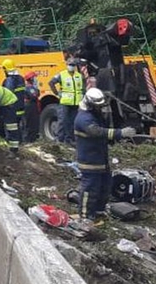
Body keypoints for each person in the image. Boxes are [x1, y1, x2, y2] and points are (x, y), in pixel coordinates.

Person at [74, 88, 135, 221]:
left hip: (100, 158)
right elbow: (96, 132)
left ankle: (99, 210)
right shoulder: (84, 118)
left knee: (105, 186)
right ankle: (85, 215)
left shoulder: (94, 113)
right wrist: (120, 133)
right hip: (89, 160)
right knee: (90, 189)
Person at [49, 57, 84, 144]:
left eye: (73, 65)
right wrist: (57, 93)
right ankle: (59, 139)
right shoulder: (62, 74)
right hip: (65, 102)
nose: (71, 66)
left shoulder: (79, 76)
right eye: (70, 65)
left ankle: (70, 139)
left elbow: (82, 88)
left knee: (73, 122)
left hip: (76, 103)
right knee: (63, 121)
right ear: (67, 65)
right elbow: (51, 83)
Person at [1, 58, 26, 138]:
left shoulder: (9, 80)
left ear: (6, 69)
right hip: (21, 108)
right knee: (18, 128)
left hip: (11, 109)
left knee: (10, 128)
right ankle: (20, 143)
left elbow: (7, 94)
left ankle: (11, 143)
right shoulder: (21, 78)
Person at [22, 71, 41, 143]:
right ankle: (27, 141)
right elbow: (34, 95)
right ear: (31, 79)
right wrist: (36, 88)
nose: (36, 79)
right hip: (29, 107)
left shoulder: (32, 87)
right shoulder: (29, 88)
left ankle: (32, 140)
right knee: (29, 124)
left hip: (32, 106)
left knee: (34, 124)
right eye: (35, 77)